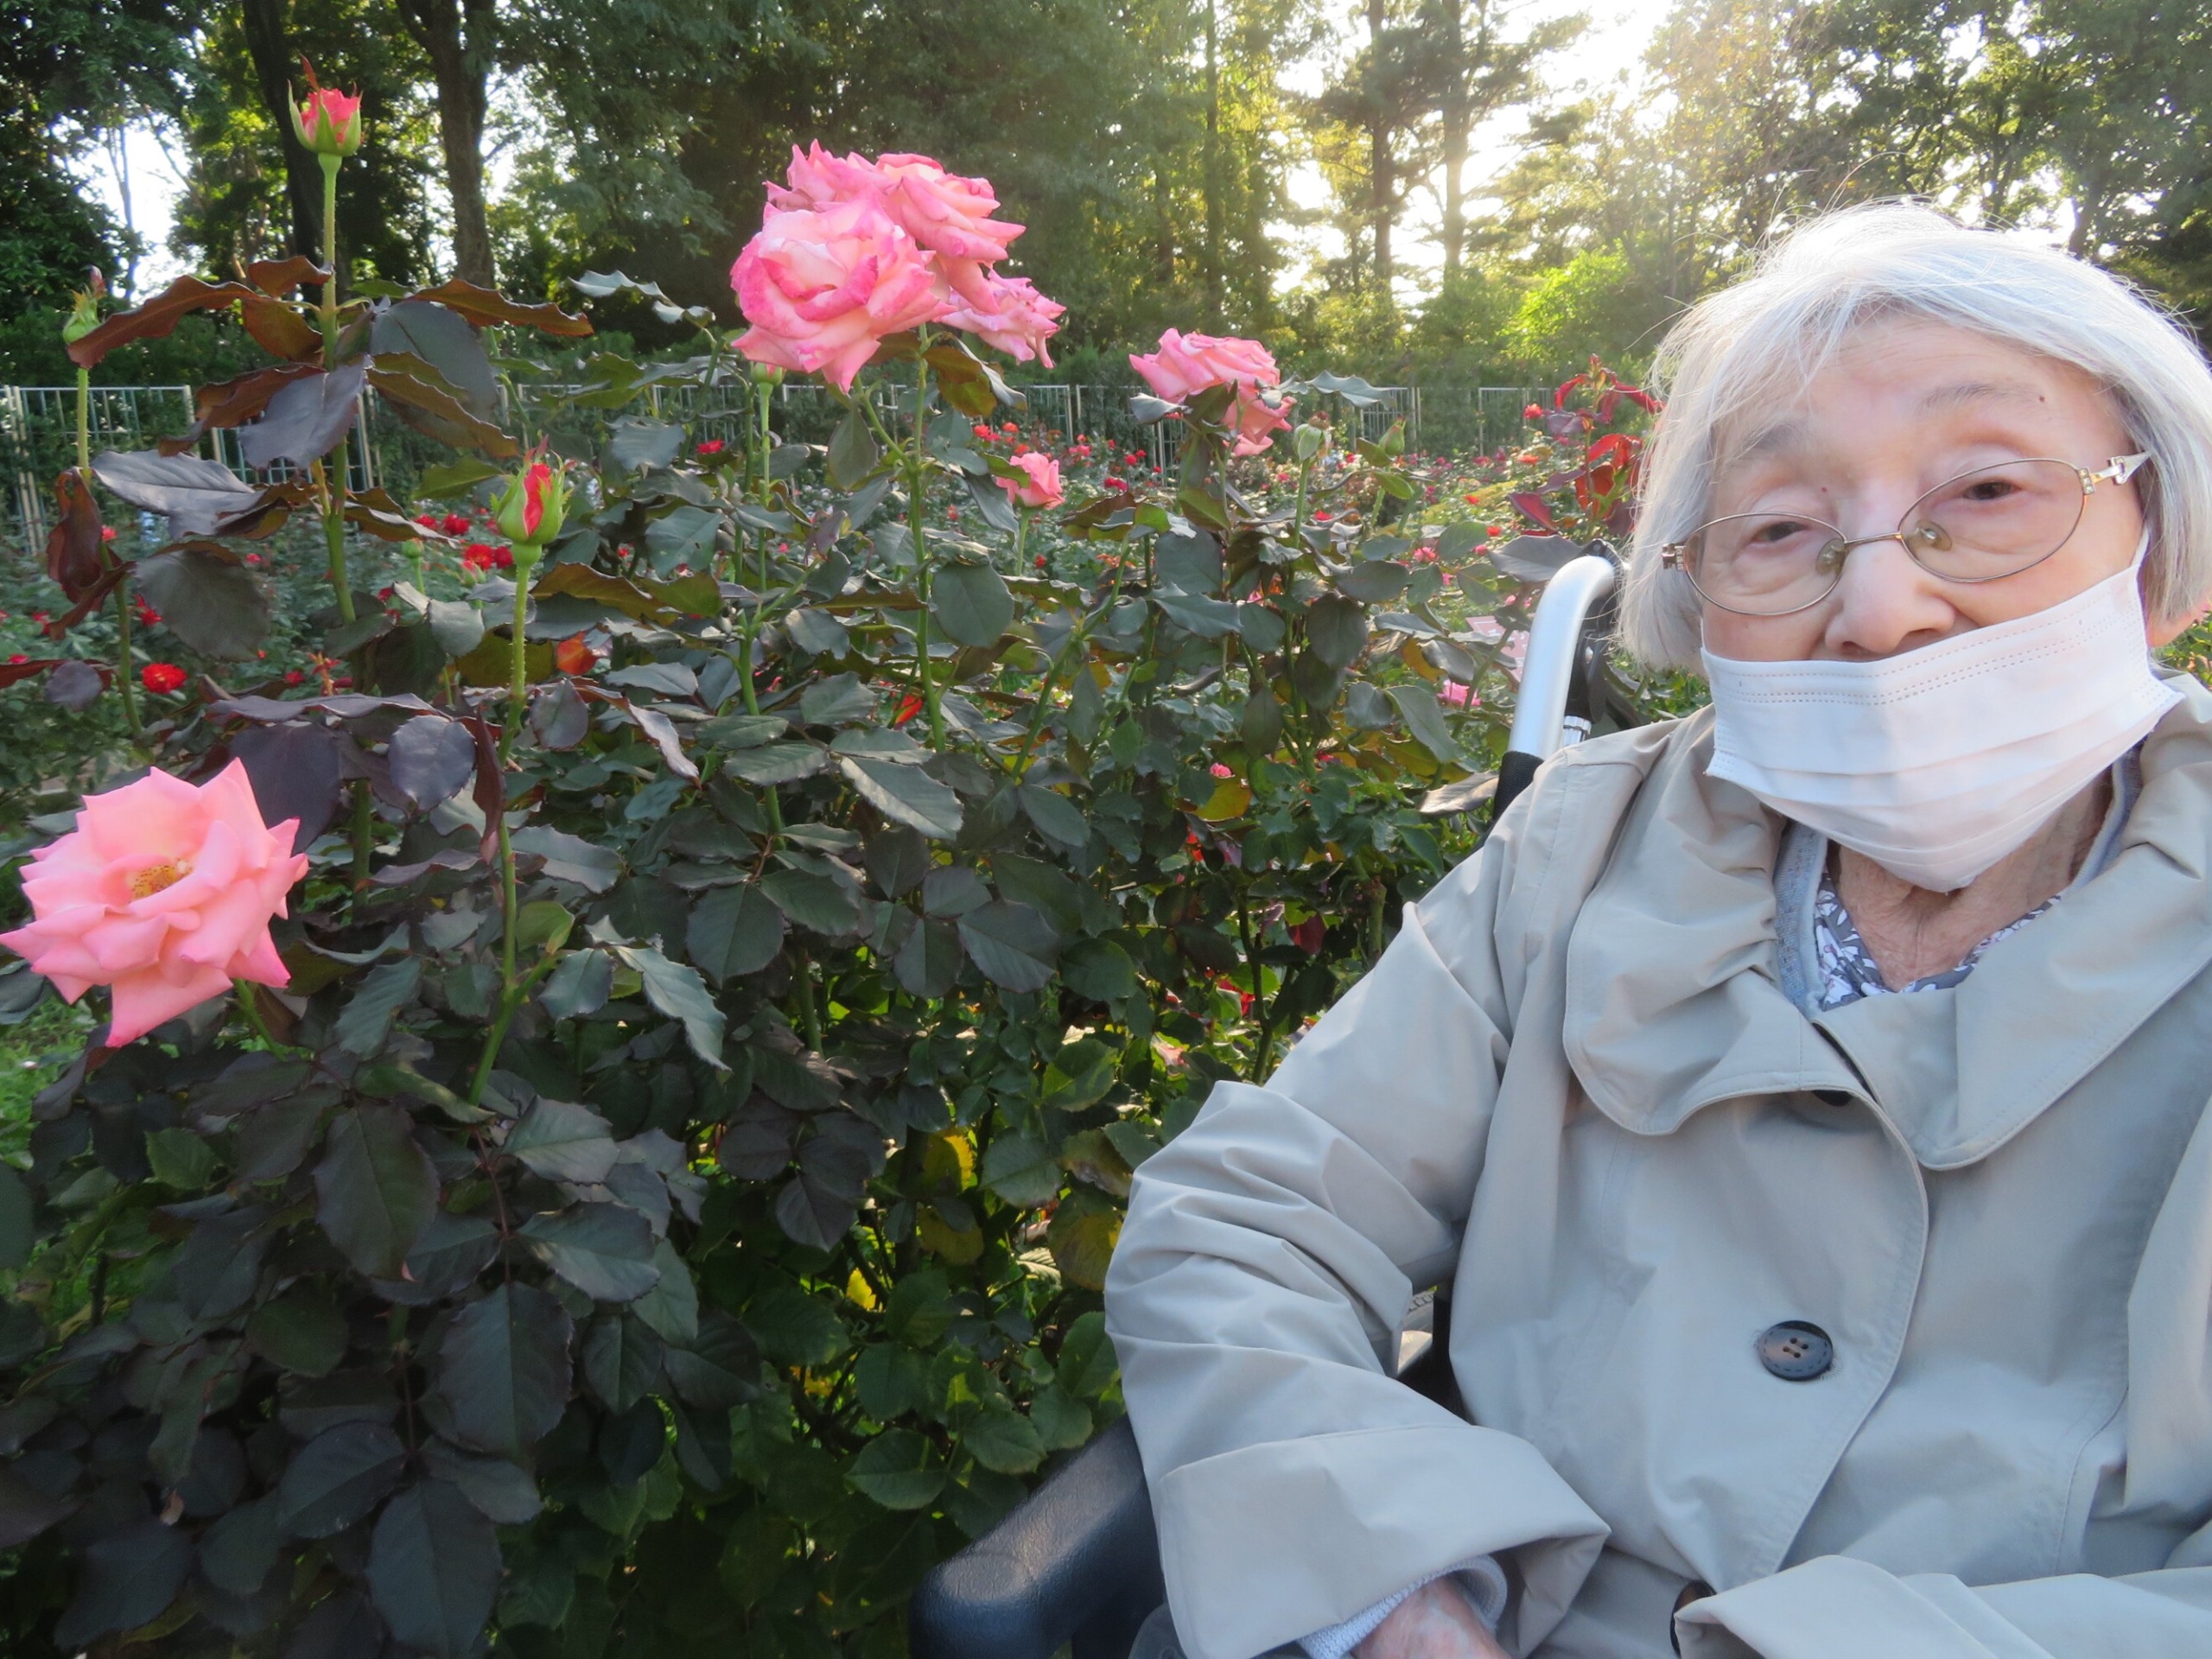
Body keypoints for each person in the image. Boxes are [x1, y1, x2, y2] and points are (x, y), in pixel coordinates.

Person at [1102, 202, 2212, 1659]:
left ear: (2160, 535)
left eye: (1990, 490)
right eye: (1779, 531)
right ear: (1699, 596)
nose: (1879, 607)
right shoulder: (1583, 844)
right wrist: (1397, 1599)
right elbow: (1250, 1220)